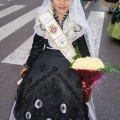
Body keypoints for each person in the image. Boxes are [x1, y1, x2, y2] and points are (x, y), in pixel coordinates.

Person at [9, 0, 98, 119]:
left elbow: (84, 53)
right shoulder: (44, 21)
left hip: (68, 66)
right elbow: (36, 48)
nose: (62, 2)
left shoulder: (77, 24)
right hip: (44, 63)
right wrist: (28, 66)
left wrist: (87, 75)